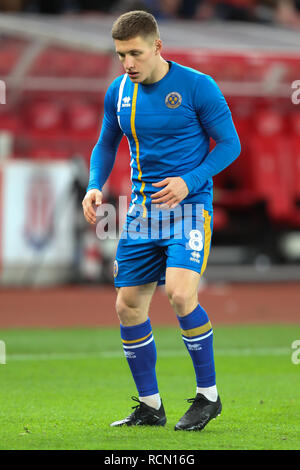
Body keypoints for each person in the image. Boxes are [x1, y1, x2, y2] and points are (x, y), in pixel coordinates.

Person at [82, 10, 241, 431]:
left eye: (135, 53)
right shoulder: (118, 91)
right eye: (120, 55)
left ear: (157, 47)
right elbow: (105, 142)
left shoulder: (197, 86)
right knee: (128, 305)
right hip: (141, 213)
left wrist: (190, 182)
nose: (127, 63)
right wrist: (95, 184)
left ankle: (208, 397)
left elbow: (230, 144)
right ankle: (151, 407)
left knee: (179, 293)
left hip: (189, 209)